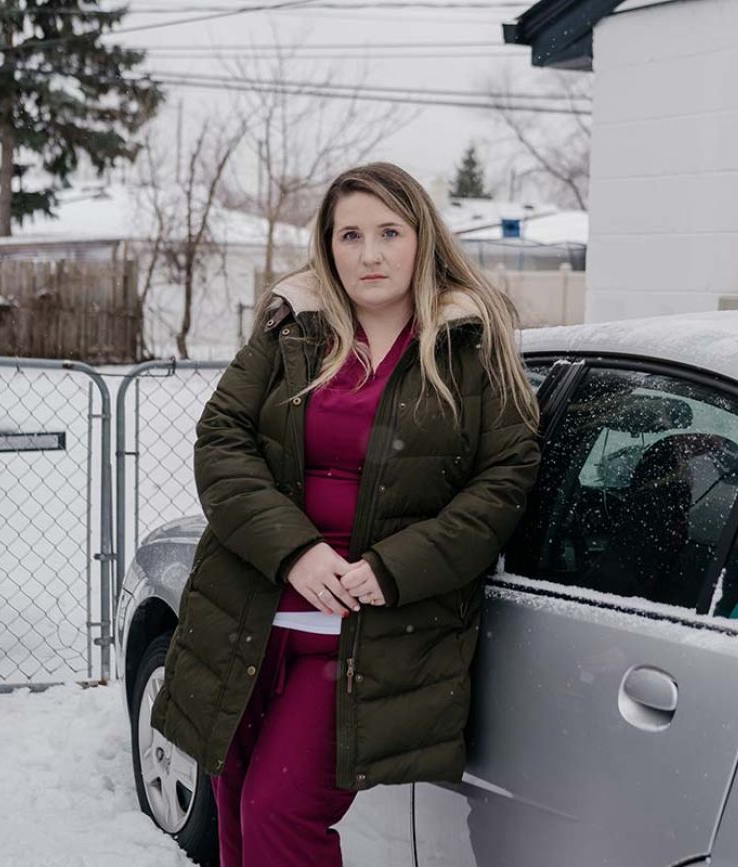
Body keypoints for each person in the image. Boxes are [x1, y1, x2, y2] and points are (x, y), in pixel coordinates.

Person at [150, 161, 541, 866]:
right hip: (252, 610)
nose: (370, 253)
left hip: (368, 632)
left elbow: (503, 482)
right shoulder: (290, 328)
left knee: (279, 812)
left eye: (390, 231)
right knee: (235, 805)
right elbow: (222, 442)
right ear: (327, 246)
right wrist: (296, 550)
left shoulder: (468, 343)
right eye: (349, 234)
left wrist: (390, 570)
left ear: (423, 237)